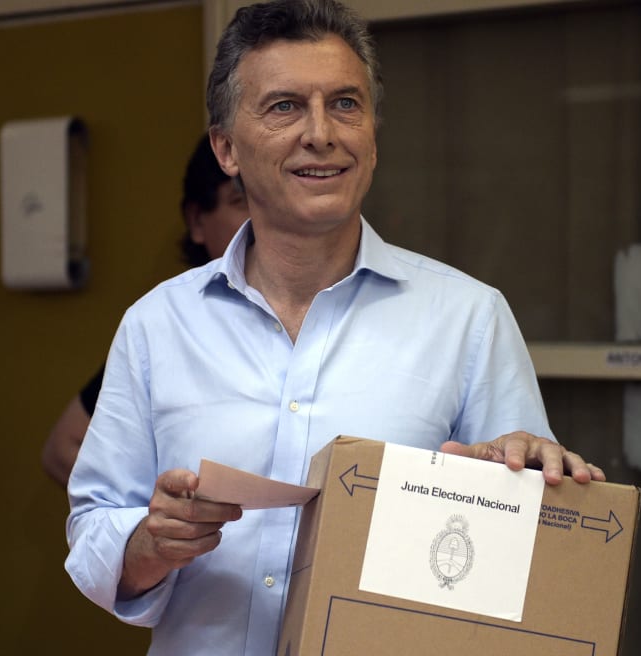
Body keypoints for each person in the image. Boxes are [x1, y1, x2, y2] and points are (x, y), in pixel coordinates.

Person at [64, 2, 605, 654]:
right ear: (226, 148)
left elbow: (524, 566)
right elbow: (92, 528)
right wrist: (149, 544)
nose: (321, 133)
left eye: (345, 104)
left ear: (372, 138)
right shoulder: (158, 324)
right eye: (285, 106)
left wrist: (525, 483)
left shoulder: (469, 319)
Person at [41, 134, 248, 488]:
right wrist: (161, 510)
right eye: (241, 201)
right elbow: (62, 448)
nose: (260, 218)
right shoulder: (167, 323)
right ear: (197, 220)